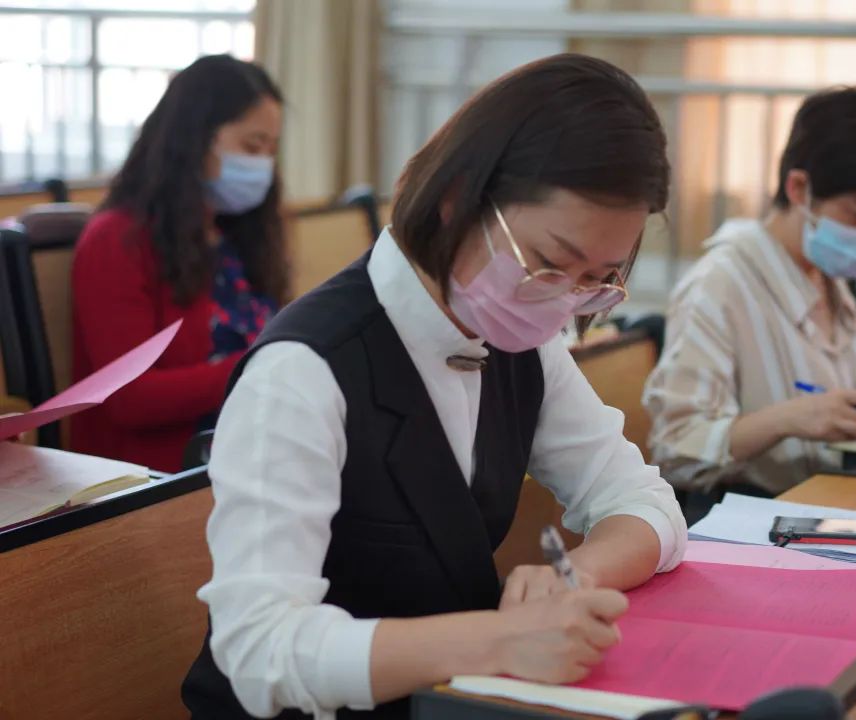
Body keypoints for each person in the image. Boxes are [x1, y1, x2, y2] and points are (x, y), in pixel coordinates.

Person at [180, 54, 687, 719]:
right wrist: (498, 639)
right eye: (549, 263)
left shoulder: (520, 336)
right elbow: (259, 650)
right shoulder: (303, 371)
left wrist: (575, 577)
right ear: (457, 200)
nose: (563, 300)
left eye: (596, 279)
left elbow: (644, 501)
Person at [644, 87, 856, 499]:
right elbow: (676, 450)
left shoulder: (827, 276)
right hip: (754, 512)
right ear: (800, 188)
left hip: (830, 500)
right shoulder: (720, 284)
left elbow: (801, 390)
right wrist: (785, 420)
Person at [70, 54, 287, 472]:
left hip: (249, 452)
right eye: (251, 146)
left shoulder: (234, 234)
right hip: (161, 477)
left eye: (271, 150)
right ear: (194, 140)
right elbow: (129, 399)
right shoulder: (117, 240)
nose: (263, 164)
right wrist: (260, 368)